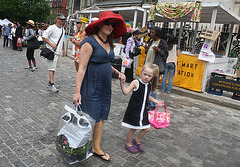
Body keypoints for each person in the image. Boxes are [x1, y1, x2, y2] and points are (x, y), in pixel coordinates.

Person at [72, 11, 127, 161]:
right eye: (107, 23)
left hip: (104, 86)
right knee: (91, 117)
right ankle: (80, 145)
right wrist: (77, 92)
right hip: (91, 85)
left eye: (112, 25)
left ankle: (96, 147)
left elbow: (106, 63)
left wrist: (117, 73)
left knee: (101, 117)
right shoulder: (90, 42)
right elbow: (81, 68)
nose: (110, 26)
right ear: (100, 24)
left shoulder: (108, 43)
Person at [120, 63, 164, 153]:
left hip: (143, 110)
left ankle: (136, 140)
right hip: (134, 110)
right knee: (133, 128)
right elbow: (125, 92)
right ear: (141, 72)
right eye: (145, 74)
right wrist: (122, 84)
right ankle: (128, 144)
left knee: (147, 128)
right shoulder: (136, 82)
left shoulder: (149, 85)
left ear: (152, 77)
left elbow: (147, 96)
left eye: (149, 75)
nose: (146, 77)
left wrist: (157, 102)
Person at [144, 26, 168, 109]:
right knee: (146, 85)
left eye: (152, 33)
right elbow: (147, 53)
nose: (151, 34)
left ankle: (152, 104)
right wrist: (146, 48)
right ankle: (146, 102)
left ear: (157, 34)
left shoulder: (162, 43)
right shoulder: (151, 41)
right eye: (150, 32)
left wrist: (159, 50)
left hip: (155, 67)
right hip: (147, 66)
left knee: (153, 85)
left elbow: (165, 55)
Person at [42, 13, 66, 93]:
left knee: (53, 68)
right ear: (57, 19)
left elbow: (62, 40)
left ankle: (51, 82)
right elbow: (44, 36)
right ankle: (51, 84)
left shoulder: (63, 29)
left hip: (57, 52)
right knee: (51, 68)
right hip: (52, 51)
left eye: (63, 20)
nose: (62, 21)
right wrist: (51, 44)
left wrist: (63, 50)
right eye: (61, 19)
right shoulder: (52, 28)